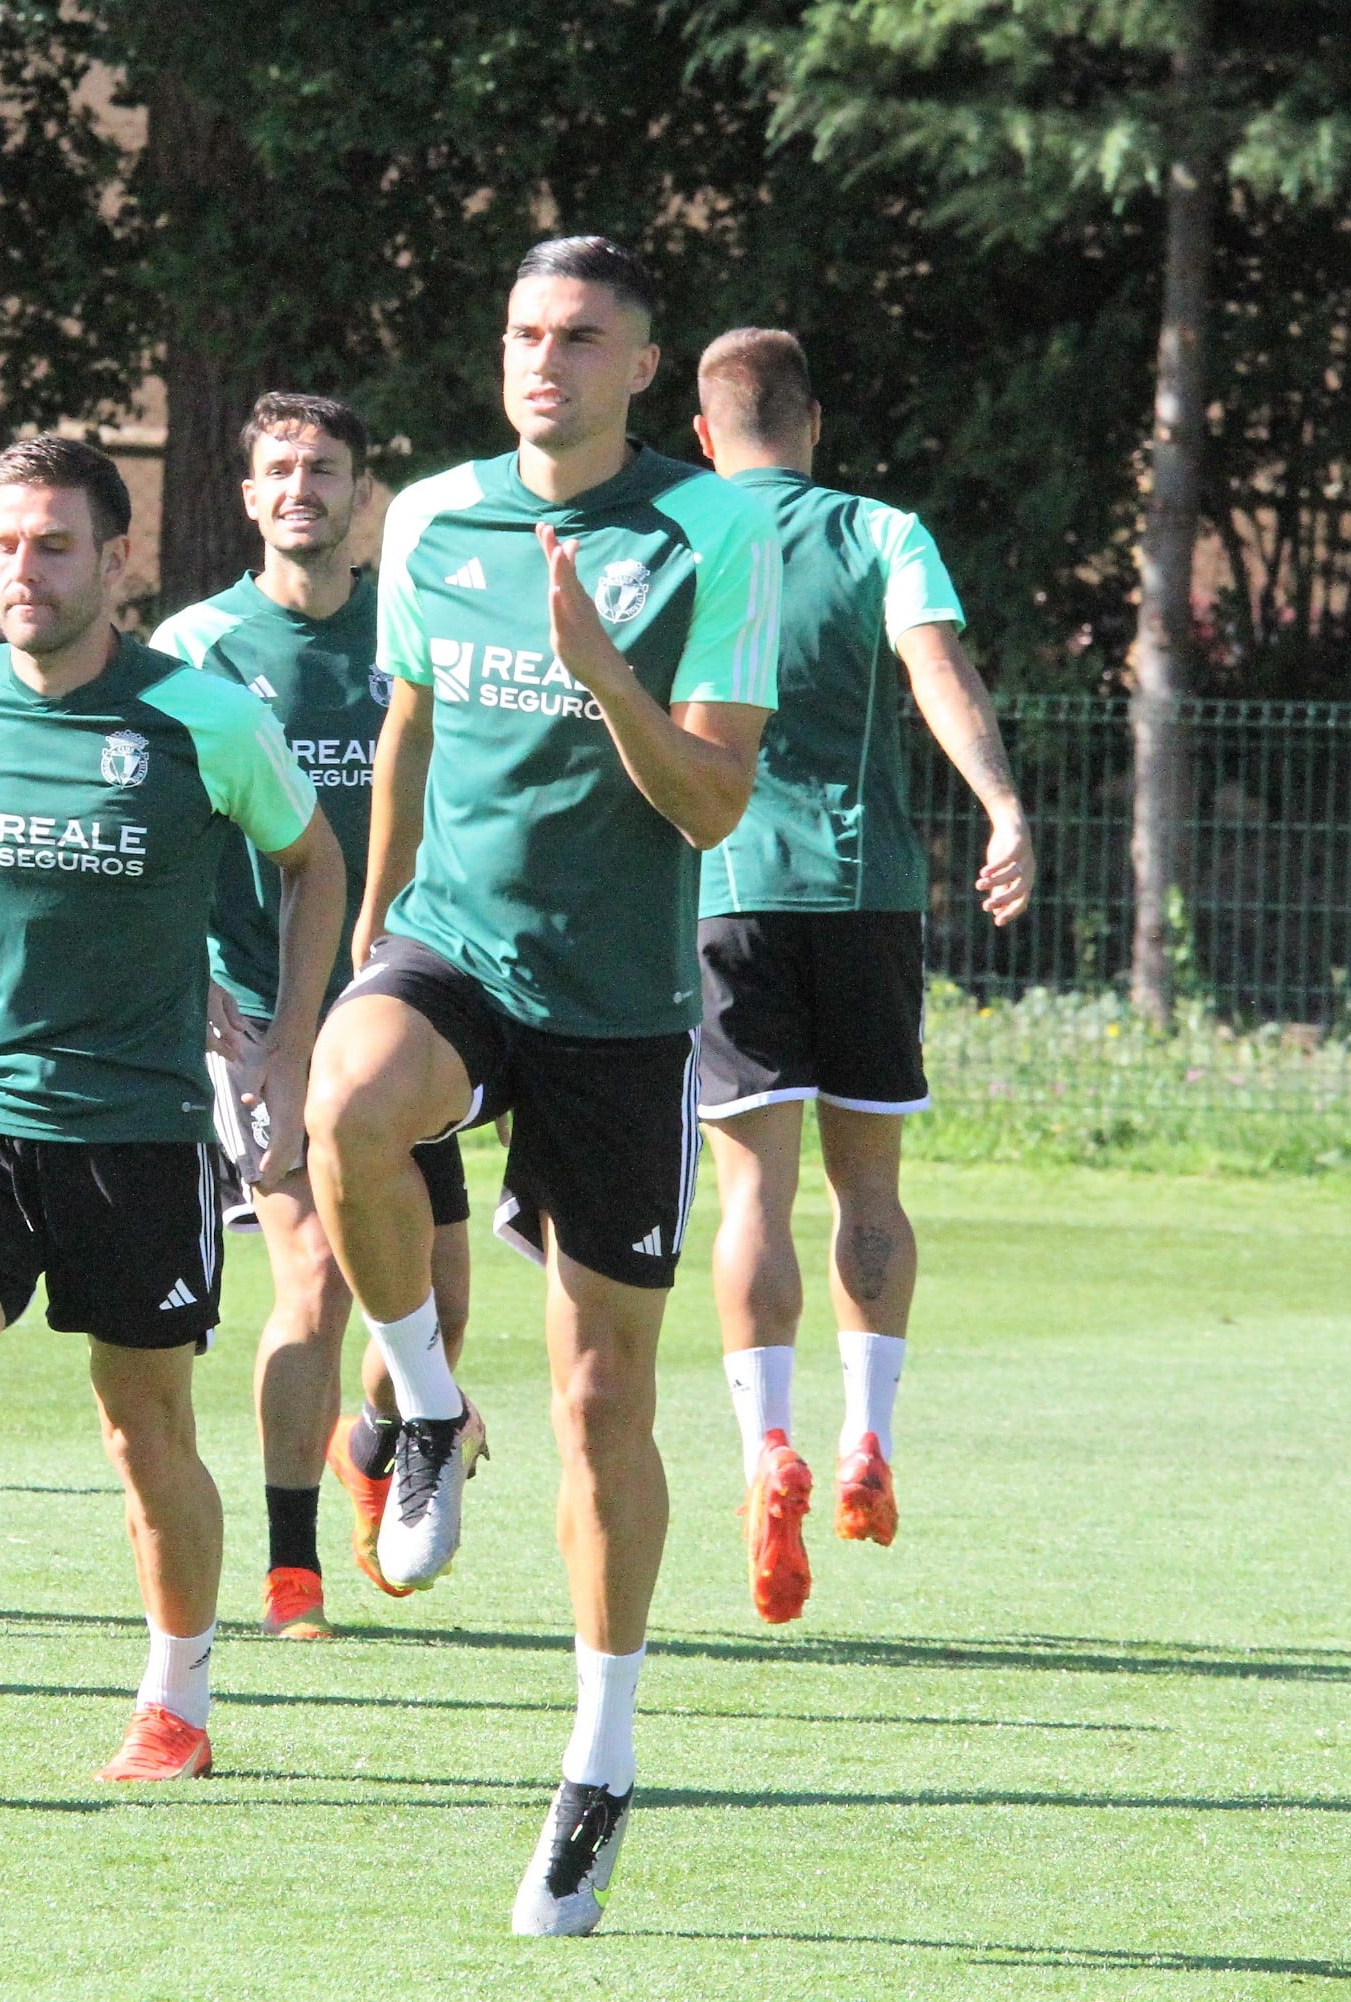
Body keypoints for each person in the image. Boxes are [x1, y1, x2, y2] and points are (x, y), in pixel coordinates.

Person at [301, 236, 781, 1936]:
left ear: (642, 365)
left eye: (580, 338)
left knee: (600, 1406)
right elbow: (414, 722)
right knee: (346, 1105)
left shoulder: (718, 532)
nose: (544, 362)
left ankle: (600, 1758)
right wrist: (371, 922)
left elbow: (714, 805)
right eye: (523, 332)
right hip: (453, 941)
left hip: (623, 1002)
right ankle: (426, 1401)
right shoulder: (429, 516)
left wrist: (607, 677)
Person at [0, 435, 342, 1784]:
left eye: (52, 545)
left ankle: (178, 1697)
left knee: (140, 1427)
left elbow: (313, 864)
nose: (23, 570)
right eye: (3, 545)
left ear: (117, 561)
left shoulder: (200, 718)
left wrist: (284, 1046)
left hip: (139, 1124)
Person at [686, 329, 1033, 1624]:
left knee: (751, 1198)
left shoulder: (674, 532)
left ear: (707, 429)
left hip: (727, 893)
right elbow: (934, 666)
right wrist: (1001, 804)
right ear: (813, 422)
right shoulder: (883, 532)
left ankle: (762, 1445)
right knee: (869, 1189)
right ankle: (863, 1441)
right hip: (869, 890)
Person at [148, 392, 475, 1640]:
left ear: (359, 493)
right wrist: (200, 981)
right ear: (247, 497)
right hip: (266, 1019)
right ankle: (293, 1578)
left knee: (438, 1305)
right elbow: (157, 831)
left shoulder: (410, 634)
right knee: (321, 1275)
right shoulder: (197, 649)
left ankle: (374, 1439)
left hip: (409, 1018)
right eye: (279, 469)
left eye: (324, 469)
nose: (301, 488)